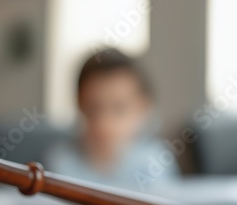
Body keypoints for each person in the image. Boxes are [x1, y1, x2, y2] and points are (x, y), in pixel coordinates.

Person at [47, 48, 179, 191]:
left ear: (144, 108)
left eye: (119, 108)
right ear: (78, 104)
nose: (104, 123)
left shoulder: (156, 162)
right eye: (93, 109)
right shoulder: (59, 163)